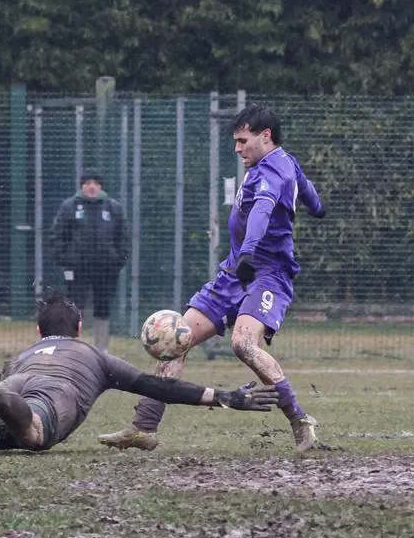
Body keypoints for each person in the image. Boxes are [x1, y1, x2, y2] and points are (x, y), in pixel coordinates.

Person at [98, 103, 327, 453]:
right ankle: (144, 427)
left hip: (266, 275)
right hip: (234, 273)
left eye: (242, 140)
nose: (237, 148)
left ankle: (300, 420)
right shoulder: (282, 163)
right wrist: (315, 205)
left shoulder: (272, 173)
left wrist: (250, 252)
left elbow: (263, 212)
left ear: (265, 136)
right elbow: (310, 195)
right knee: (177, 339)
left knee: (244, 344)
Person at [0, 290, 280, 452]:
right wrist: (224, 397)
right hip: (43, 401)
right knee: (33, 432)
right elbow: (156, 386)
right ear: (79, 329)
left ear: (39, 331)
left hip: (15, 380)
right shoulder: (96, 358)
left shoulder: (25, 353)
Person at [49, 171, 129, 352]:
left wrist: (117, 261)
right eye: (87, 183)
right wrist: (66, 259)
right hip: (77, 269)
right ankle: (72, 349)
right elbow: (57, 236)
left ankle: (102, 351)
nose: (91, 187)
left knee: (103, 307)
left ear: (101, 187)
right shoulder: (69, 207)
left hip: (105, 269)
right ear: (81, 186)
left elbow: (123, 238)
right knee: (74, 307)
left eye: (95, 183)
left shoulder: (113, 208)